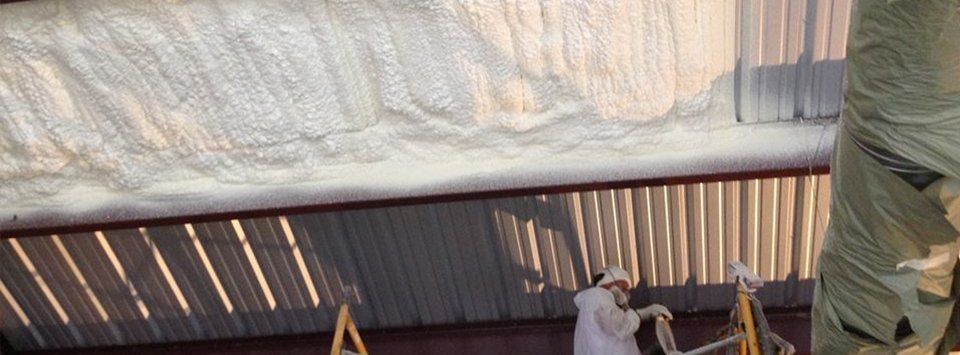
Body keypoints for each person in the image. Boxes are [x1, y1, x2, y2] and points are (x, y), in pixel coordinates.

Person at [574, 265, 672, 355]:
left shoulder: (597, 302)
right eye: (624, 287)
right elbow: (621, 328)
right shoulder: (598, 296)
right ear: (611, 282)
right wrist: (641, 314)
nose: (626, 293)